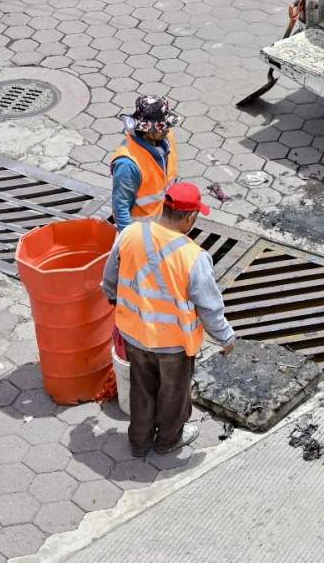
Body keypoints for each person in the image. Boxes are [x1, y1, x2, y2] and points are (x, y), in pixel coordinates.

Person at [102, 182, 235, 457]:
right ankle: (167, 441)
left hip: (134, 335)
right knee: (173, 394)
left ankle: (138, 442)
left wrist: (114, 298)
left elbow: (110, 278)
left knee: (141, 388)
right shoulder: (194, 257)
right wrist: (226, 338)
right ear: (190, 218)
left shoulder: (130, 233)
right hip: (173, 344)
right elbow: (209, 308)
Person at [109, 96, 181, 230]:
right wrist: (131, 241)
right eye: (162, 127)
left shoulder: (167, 137)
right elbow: (121, 208)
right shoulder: (127, 164)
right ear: (147, 130)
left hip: (162, 224)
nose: (167, 129)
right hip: (139, 232)